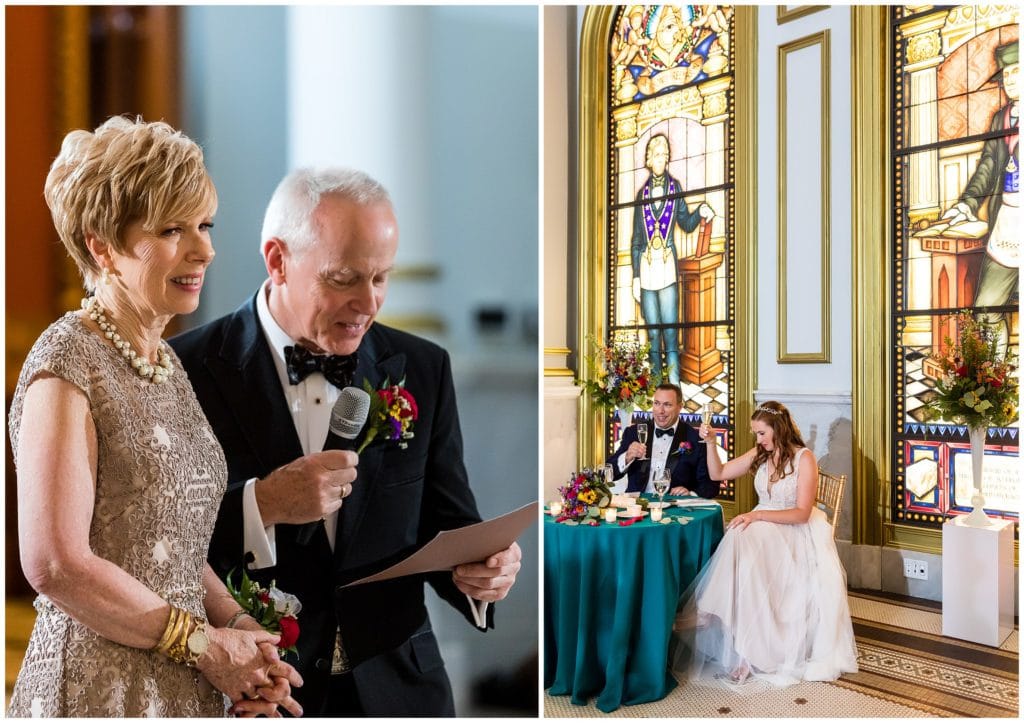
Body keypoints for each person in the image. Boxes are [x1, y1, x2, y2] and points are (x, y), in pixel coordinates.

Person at [171, 167, 522, 716]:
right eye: (344, 278)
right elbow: (158, 538)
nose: (369, 302)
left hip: (403, 691)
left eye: (382, 277)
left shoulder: (422, 368)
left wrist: (481, 575)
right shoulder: (185, 370)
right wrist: (261, 504)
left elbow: (446, 525)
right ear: (278, 260)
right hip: (260, 690)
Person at [7, 116, 302, 717]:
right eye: (172, 230)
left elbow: (175, 547)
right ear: (102, 245)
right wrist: (205, 646)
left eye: (204, 225)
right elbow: (54, 562)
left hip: (183, 686)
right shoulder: (67, 361)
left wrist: (247, 639)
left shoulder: (164, 360)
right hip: (94, 691)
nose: (205, 249)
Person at [671, 401, 858, 686]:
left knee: (744, 534)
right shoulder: (761, 452)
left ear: (778, 429)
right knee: (740, 534)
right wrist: (710, 443)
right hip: (763, 527)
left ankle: (715, 619)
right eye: (756, 434)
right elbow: (718, 474)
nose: (757, 439)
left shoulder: (803, 458)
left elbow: (801, 513)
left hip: (794, 530)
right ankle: (730, 631)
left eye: (761, 433)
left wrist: (757, 515)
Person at [940, 41, 1018, 352]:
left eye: (1017, 73)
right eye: (1007, 76)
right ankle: (995, 378)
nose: (1011, 81)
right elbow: (987, 166)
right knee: (986, 308)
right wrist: (967, 203)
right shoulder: (1002, 119)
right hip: (1009, 221)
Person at [631, 134, 715, 384]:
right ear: (649, 159)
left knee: (670, 331)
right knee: (653, 334)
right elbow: (636, 240)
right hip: (646, 272)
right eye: (658, 155)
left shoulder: (674, 187)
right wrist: (635, 277)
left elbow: (685, 223)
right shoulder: (641, 195)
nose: (662, 160)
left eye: (665, 155)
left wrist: (699, 212)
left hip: (667, 269)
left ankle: (674, 385)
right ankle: (657, 386)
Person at [606, 383, 717, 498]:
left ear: (680, 406)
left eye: (667, 405)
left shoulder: (696, 438)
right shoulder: (634, 432)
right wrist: (627, 456)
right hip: (637, 507)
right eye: (657, 403)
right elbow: (609, 474)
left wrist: (690, 494)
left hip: (675, 509)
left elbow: (711, 486)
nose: (660, 411)